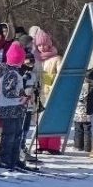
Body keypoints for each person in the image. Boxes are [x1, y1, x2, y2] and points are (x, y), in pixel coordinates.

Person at [0, 41, 32, 170]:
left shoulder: (16, 73)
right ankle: (5, 159)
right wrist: (20, 97)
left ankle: (14, 158)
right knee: (9, 135)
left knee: (17, 134)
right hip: (8, 108)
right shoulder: (11, 73)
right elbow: (8, 92)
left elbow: (16, 90)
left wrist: (24, 95)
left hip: (16, 108)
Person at [32, 27, 64, 155]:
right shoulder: (36, 60)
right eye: (40, 45)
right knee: (40, 120)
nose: (42, 47)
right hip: (39, 94)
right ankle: (42, 144)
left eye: (45, 44)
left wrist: (52, 80)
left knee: (53, 119)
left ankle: (54, 145)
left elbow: (61, 75)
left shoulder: (56, 58)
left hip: (52, 93)